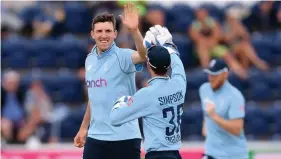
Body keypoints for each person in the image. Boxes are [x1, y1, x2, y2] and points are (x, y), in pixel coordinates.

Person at [73, 3, 147, 159]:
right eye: (99, 31)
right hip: (96, 138)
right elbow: (94, 97)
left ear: (115, 34)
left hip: (124, 138)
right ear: (92, 34)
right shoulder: (89, 60)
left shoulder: (123, 56)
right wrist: (83, 128)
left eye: (108, 31)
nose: (103, 35)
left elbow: (143, 56)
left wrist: (134, 31)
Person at [110, 26, 186, 159]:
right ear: (168, 65)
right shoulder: (179, 83)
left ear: (148, 65)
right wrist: (168, 44)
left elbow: (115, 118)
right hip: (175, 154)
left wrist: (123, 100)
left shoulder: (146, 94)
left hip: (156, 155)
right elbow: (177, 63)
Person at [199, 59, 248, 159]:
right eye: (209, 74)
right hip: (211, 152)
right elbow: (206, 113)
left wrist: (214, 116)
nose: (211, 78)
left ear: (225, 74)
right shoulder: (204, 89)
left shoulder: (235, 96)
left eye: (215, 74)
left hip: (233, 155)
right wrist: (206, 126)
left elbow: (237, 129)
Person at [189, 7, 247, 79]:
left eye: (203, 13)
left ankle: (240, 72)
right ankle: (207, 73)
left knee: (227, 55)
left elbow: (218, 35)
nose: (201, 15)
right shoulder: (194, 25)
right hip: (202, 47)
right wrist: (207, 43)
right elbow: (197, 38)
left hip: (214, 46)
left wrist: (212, 42)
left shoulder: (213, 22)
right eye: (199, 14)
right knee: (202, 49)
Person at [1, 70, 26, 144]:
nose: (13, 85)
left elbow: (27, 109)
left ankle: (25, 142)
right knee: (5, 124)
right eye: (10, 83)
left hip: (21, 121)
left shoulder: (22, 93)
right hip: (5, 121)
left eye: (15, 83)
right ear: (4, 83)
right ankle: (8, 143)